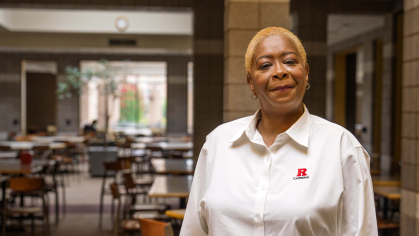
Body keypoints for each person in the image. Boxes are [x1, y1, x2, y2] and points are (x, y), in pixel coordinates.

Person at [180, 27, 378, 236]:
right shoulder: (218, 143)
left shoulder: (341, 146)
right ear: (251, 83)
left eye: (290, 61)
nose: (280, 71)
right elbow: (195, 230)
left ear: (306, 72)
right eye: (265, 65)